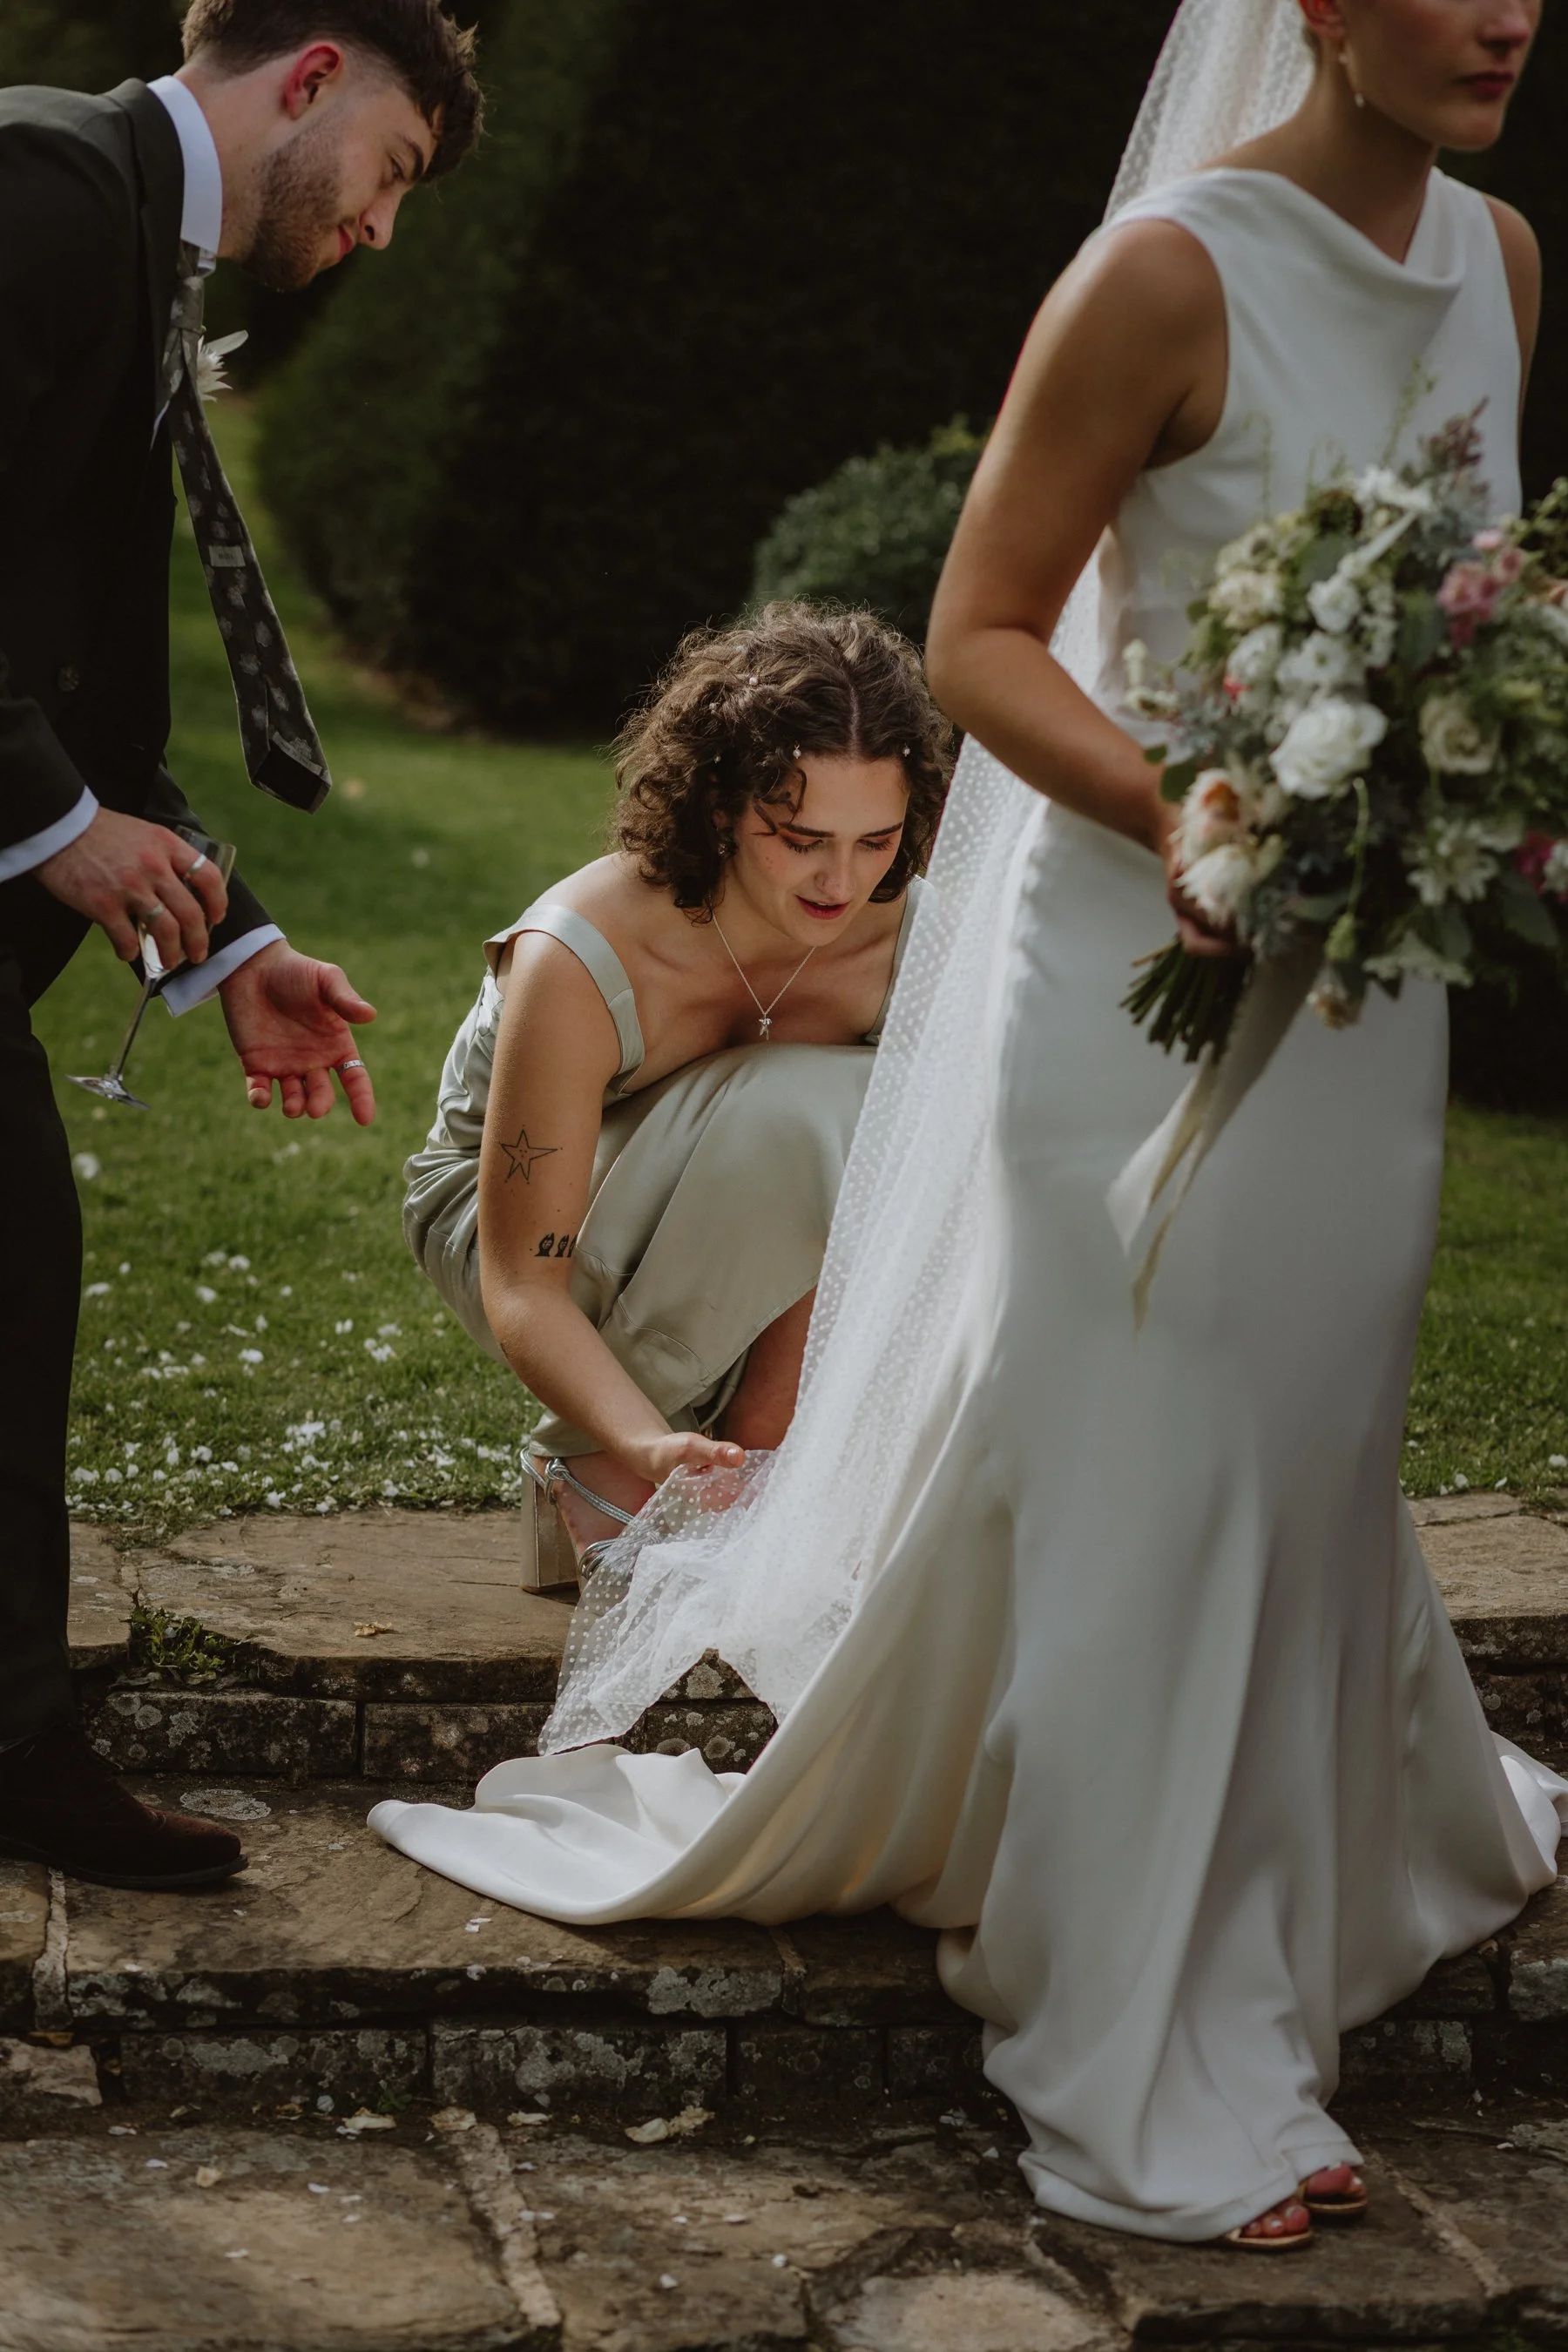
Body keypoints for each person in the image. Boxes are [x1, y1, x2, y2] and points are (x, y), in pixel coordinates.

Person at [372, 0, 1568, 2250]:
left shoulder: (1504, 267)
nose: (1501, 10)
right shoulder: (1159, 276)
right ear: (1311, 8)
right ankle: (1130, 2035)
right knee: (1145, 1456)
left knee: (1305, 1438)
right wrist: (1198, 812)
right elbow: (986, 634)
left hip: (1364, 995)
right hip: (1141, 977)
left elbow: (1473, 602)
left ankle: (1285, 1911)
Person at [0, 0, 482, 1893]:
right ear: (310, 78)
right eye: (394, 171)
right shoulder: (40, 187)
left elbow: (84, 686)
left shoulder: (121, 221)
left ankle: (19, 1745)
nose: (381, 229)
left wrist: (226, 948)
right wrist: (50, 820)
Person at [404, 605, 952, 1585]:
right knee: (818, 1112)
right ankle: (606, 1463)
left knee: (917, 1112)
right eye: (799, 837)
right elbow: (522, 1283)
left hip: (754, 1192)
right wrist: (640, 1438)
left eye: (879, 840)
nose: (843, 878)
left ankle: (760, 1454)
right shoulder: (579, 954)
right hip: (512, 1224)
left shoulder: (912, 930)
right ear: (718, 807)